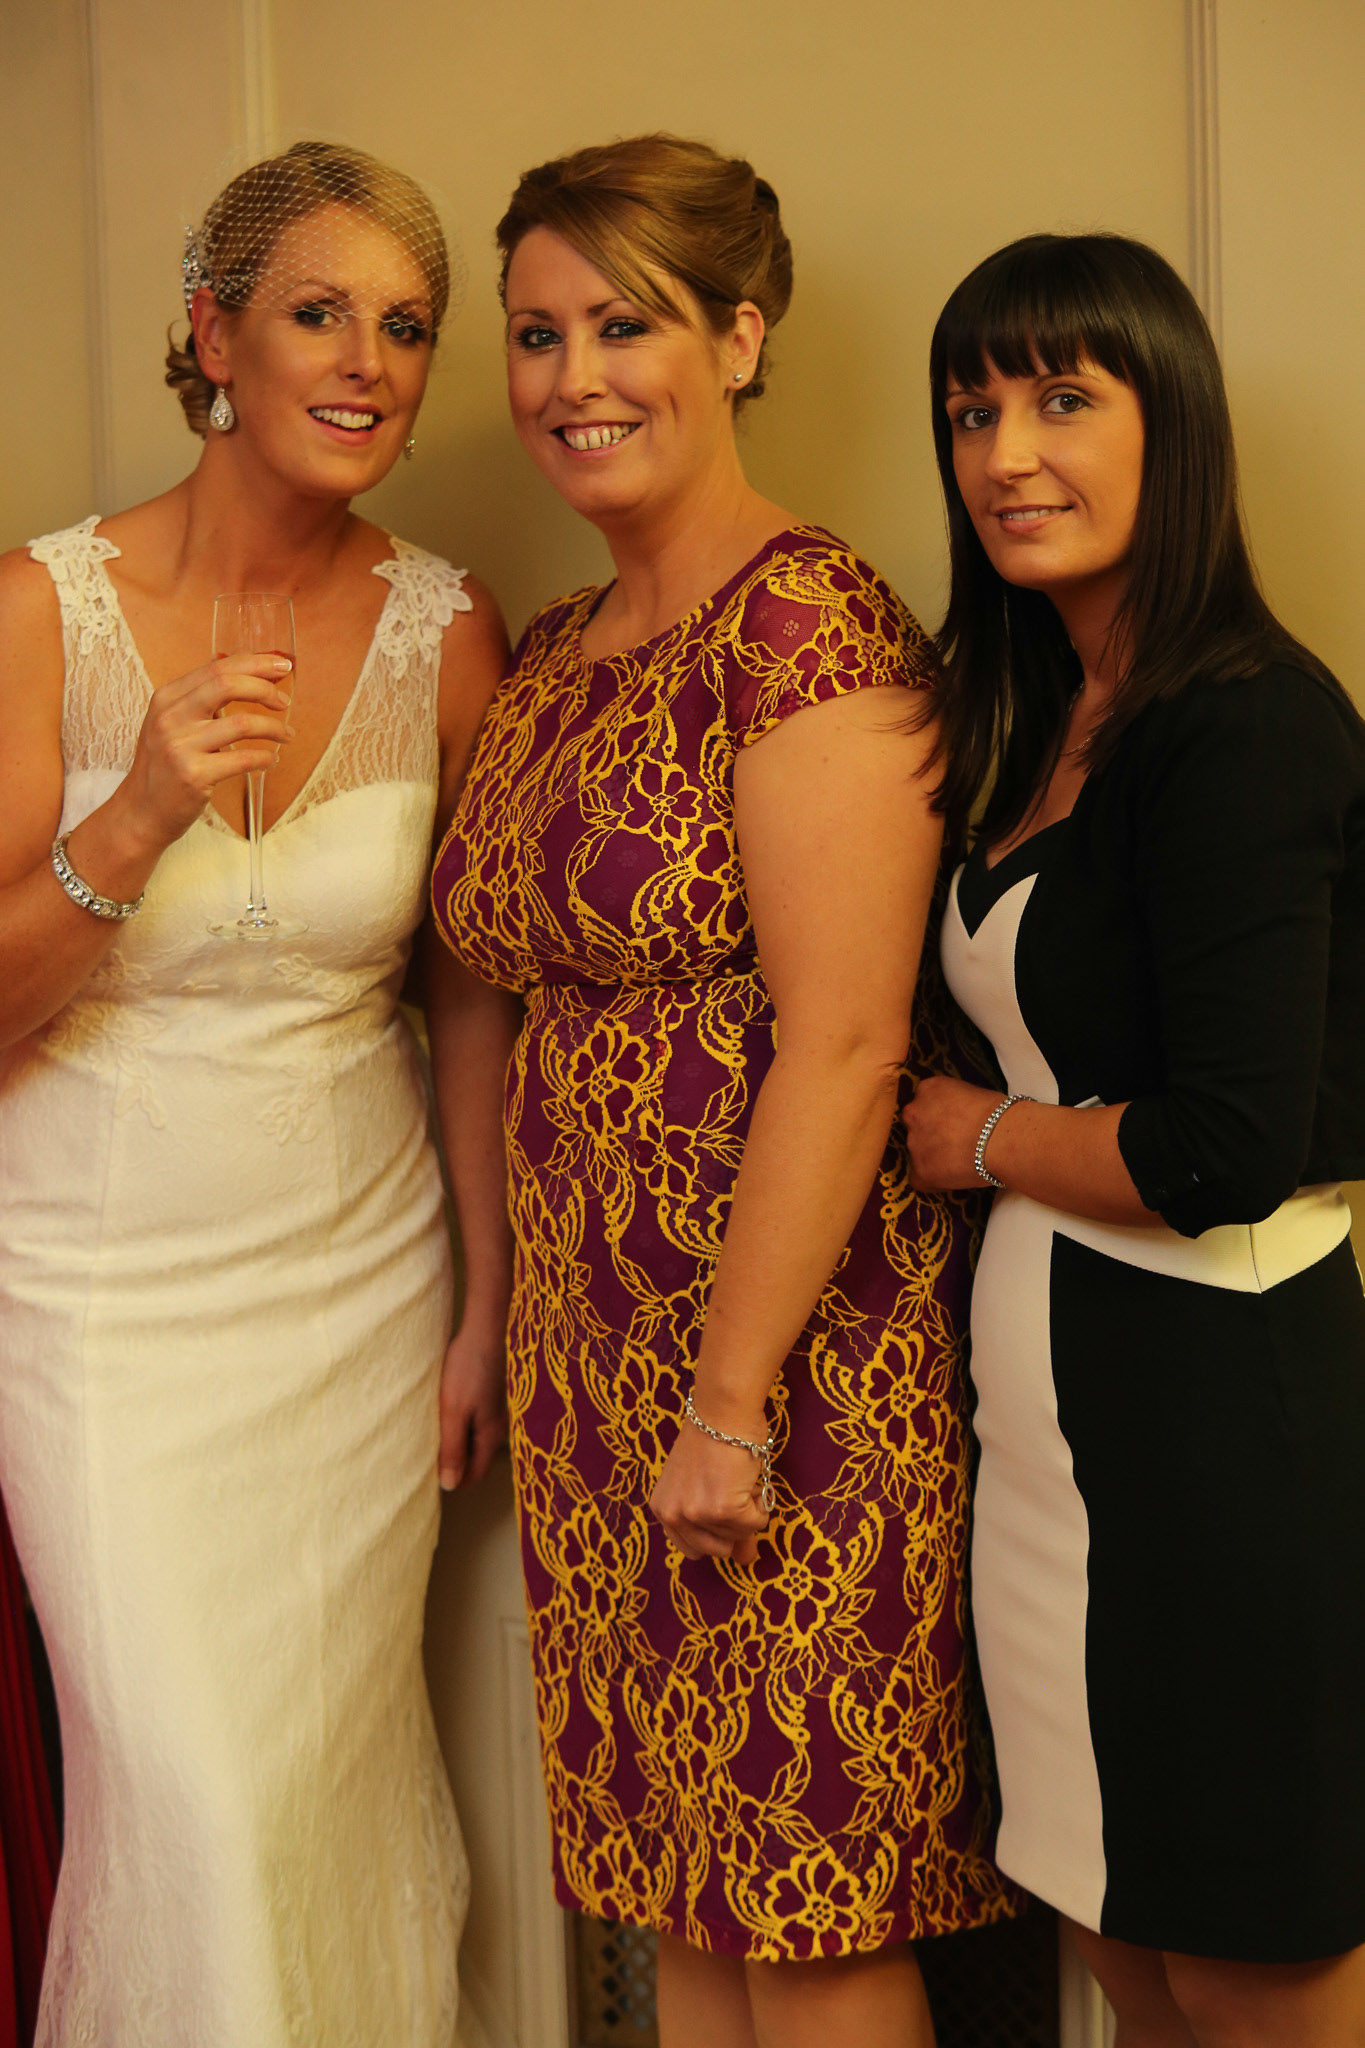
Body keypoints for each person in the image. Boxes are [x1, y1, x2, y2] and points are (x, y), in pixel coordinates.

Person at [431, 134, 1018, 2048]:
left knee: (808, 1905)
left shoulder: (807, 627)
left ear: (740, 338)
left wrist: (734, 1405)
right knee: (676, 1883)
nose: (572, 377)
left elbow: (846, 1046)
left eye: (625, 325)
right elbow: (486, 998)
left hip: (784, 1373)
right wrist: (501, 1326)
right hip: (593, 1369)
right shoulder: (551, 654)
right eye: (536, 334)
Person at [0, 140, 510, 2046]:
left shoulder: (447, 629)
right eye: (318, 313)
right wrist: (135, 814)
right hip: (101, 1308)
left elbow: (471, 1002)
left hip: (357, 1301)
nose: (367, 361)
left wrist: (487, 1298)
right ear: (213, 337)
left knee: (320, 1802)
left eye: (407, 327)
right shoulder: (40, 612)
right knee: (197, 1815)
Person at [902, 230, 1365, 2046]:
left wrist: (981, 1139)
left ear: (1169, 422)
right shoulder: (1034, 707)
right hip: (1047, 1458)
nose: (1007, 454)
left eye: (1060, 400)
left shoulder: (1244, 724)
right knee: (1115, 1933)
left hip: (1215, 1442)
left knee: (1248, 1961)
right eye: (970, 414)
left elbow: (1219, 1152)